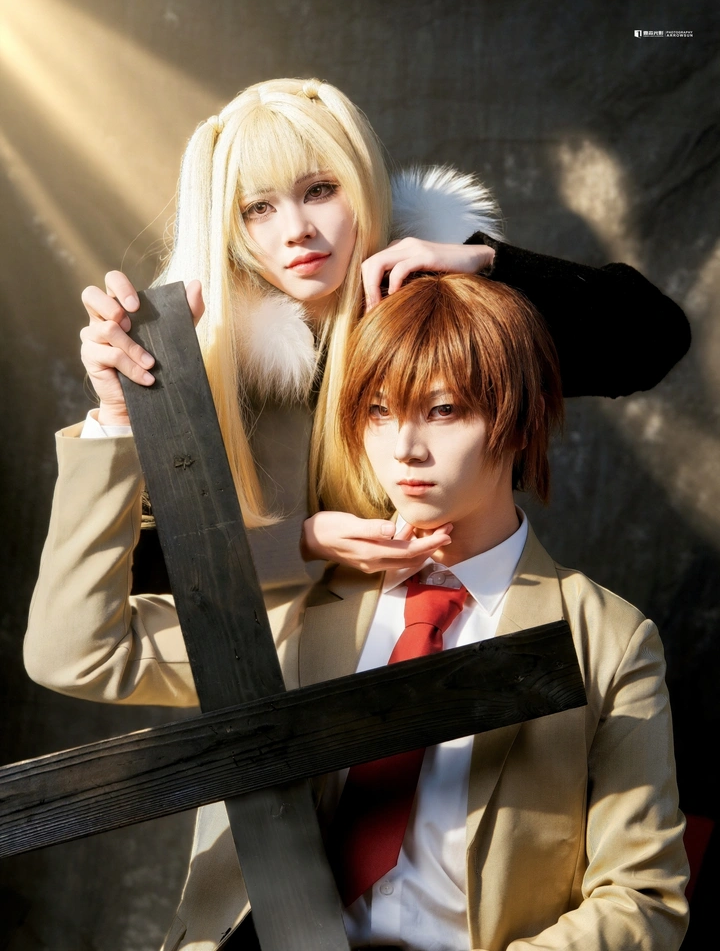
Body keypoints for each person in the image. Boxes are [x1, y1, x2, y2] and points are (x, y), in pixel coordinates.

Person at [25, 273, 689, 951]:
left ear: (521, 418)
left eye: (443, 410)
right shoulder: (306, 598)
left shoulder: (605, 638)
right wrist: (116, 417)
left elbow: (643, 898)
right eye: (378, 411)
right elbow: (78, 652)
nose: (404, 448)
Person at [68, 76, 691, 594]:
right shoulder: (203, 355)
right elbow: (136, 586)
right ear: (229, 227)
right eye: (258, 208)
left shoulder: (438, 308)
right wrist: (302, 543)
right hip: (293, 676)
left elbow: (652, 341)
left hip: (466, 633)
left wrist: (488, 262)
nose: (296, 229)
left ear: (361, 182)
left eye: (319, 190)